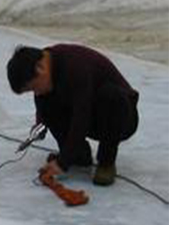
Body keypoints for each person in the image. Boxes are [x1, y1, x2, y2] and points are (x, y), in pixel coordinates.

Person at [7, 44, 139, 186]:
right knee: (48, 100)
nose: (36, 93)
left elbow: (81, 116)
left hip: (121, 118)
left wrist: (63, 162)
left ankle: (106, 162)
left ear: (41, 68)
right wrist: (40, 124)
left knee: (110, 96)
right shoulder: (44, 65)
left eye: (34, 87)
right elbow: (43, 103)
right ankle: (79, 155)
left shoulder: (75, 66)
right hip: (90, 113)